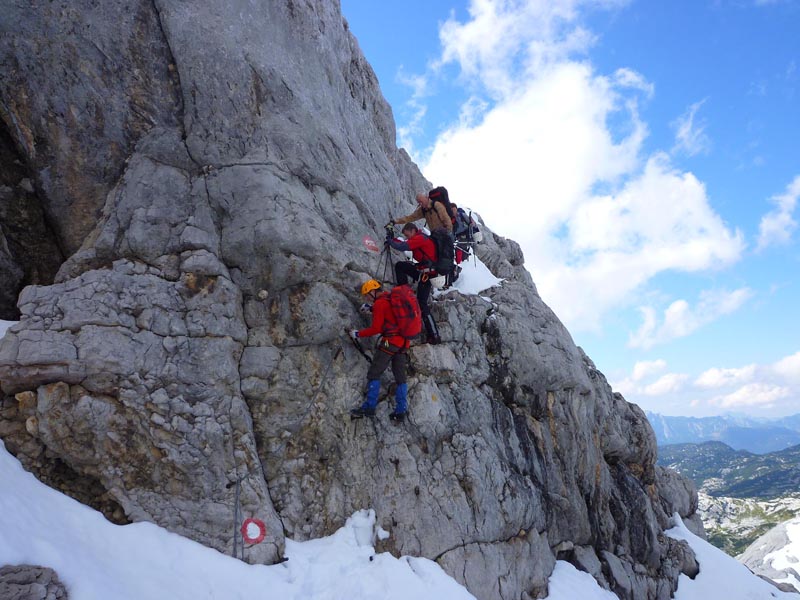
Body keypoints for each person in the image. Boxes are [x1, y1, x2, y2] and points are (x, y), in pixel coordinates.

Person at [348, 279, 411, 421]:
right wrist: (371, 309)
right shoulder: (390, 298)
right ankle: (400, 411)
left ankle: (369, 407)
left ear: (372, 291)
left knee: (374, 373)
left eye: (367, 295)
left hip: (390, 342)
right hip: (403, 343)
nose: (367, 298)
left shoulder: (379, 303)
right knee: (400, 378)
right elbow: (389, 314)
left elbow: (376, 328)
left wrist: (357, 334)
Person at [387, 223, 441, 345]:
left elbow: (403, 246)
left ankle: (434, 335)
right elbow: (404, 243)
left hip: (428, 275)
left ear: (413, 230)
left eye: (407, 235)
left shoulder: (420, 238)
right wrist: (392, 239)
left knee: (422, 303)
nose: (407, 237)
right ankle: (404, 292)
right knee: (400, 266)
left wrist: (390, 241)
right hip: (424, 272)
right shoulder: (418, 238)